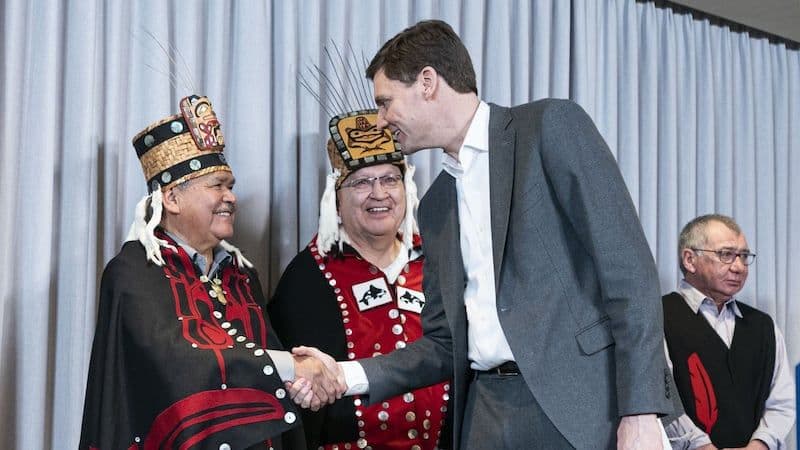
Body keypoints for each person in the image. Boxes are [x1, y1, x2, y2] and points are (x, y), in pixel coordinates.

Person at [291, 19, 674, 449]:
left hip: (582, 410)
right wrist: (345, 374)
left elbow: (630, 272)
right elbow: (442, 344)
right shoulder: (435, 206)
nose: (380, 121)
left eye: (385, 103)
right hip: (485, 416)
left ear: (428, 82)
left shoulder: (549, 127)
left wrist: (641, 411)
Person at [79, 94, 342, 449]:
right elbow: (178, 362)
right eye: (216, 185)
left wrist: (302, 379)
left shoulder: (241, 274)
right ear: (171, 198)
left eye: (230, 186)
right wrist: (292, 367)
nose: (231, 197)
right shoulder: (134, 272)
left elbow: (260, 362)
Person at [268, 109, 450, 450]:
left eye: (389, 179)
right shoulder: (306, 280)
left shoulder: (438, 262)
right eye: (362, 182)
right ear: (336, 198)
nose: (379, 194)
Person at [663, 214, 795, 450]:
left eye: (744, 256)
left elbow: (782, 402)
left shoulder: (763, 326)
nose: (738, 267)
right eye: (726, 255)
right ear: (690, 259)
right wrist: (700, 446)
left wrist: (759, 445)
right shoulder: (659, 317)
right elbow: (659, 398)